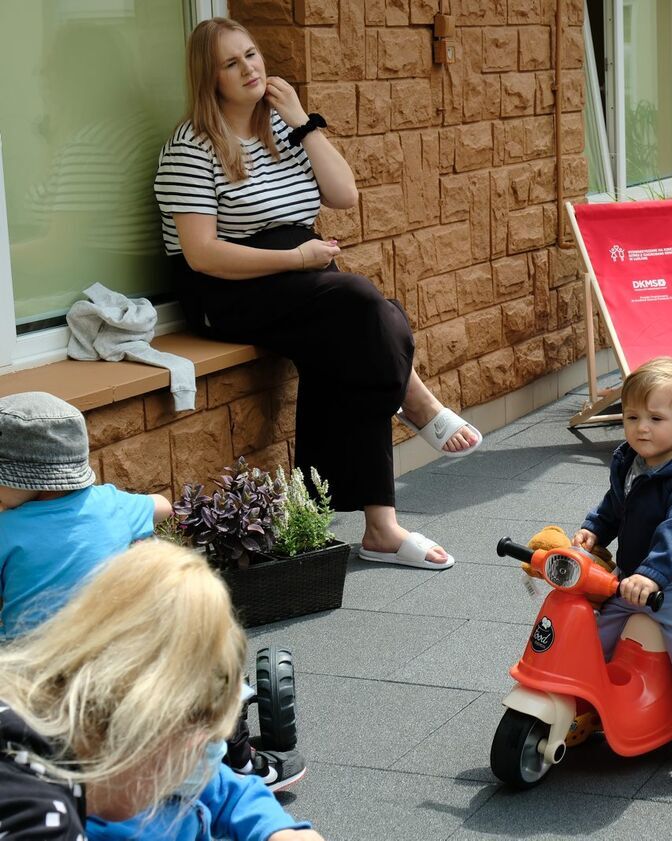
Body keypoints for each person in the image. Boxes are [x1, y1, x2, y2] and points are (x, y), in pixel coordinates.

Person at [153, 16, 480, 571]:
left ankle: (381, 527)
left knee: (363, 333)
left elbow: (344, 194)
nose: (249, 69)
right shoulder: (192, 147)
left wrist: (304, 123)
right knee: (362, 306)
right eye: (231, 64)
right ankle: (414, 401)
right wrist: (295, 257)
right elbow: (201, 254)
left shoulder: (285, 129)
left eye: (252, 54)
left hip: (300, 279)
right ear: (210, 80)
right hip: (225, 290)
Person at [0, 541, 319, 841]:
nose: (209, 759)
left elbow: (220, 788)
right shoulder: (37, 812)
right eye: (206, 742)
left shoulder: (122, 759)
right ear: (160, 723)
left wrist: (276, 830)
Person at [573, 357, 672, 785]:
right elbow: (615, 506)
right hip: (633, 580)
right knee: (593, 634)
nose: (640, 427)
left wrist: (653, 574)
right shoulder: (631, 459)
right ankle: (589, 706)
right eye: (631, 416)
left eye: (655, 418)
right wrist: (594, 530)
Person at [0, 391, 172, 639]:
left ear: (33, 479)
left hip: (35, 661)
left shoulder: (6, 529)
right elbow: (163, 506)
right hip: (111, 646)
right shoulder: (111, 502)